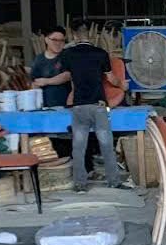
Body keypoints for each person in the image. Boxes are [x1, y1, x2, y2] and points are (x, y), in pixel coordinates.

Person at [57, 20, 126, 191]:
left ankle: (80, 184)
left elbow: (66, 76)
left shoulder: (68, 54)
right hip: (98, 105)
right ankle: (114, 181)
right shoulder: (101, 53)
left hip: (79, 106)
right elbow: (111, 79)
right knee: (106, 145)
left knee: (78, 147)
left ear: (73, 35)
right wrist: (122, 85)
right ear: (92, 35)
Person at [28, 26, 73, 162]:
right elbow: (33, 81)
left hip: (65, 106)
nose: (58, 43)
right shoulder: (39, 60)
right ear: (46, 40)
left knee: (67, 140)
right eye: (55, 40)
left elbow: (67, 75)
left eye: (62, 40)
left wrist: (47, 81)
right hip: (45, 108)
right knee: (49, 143)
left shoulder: (67, 56)